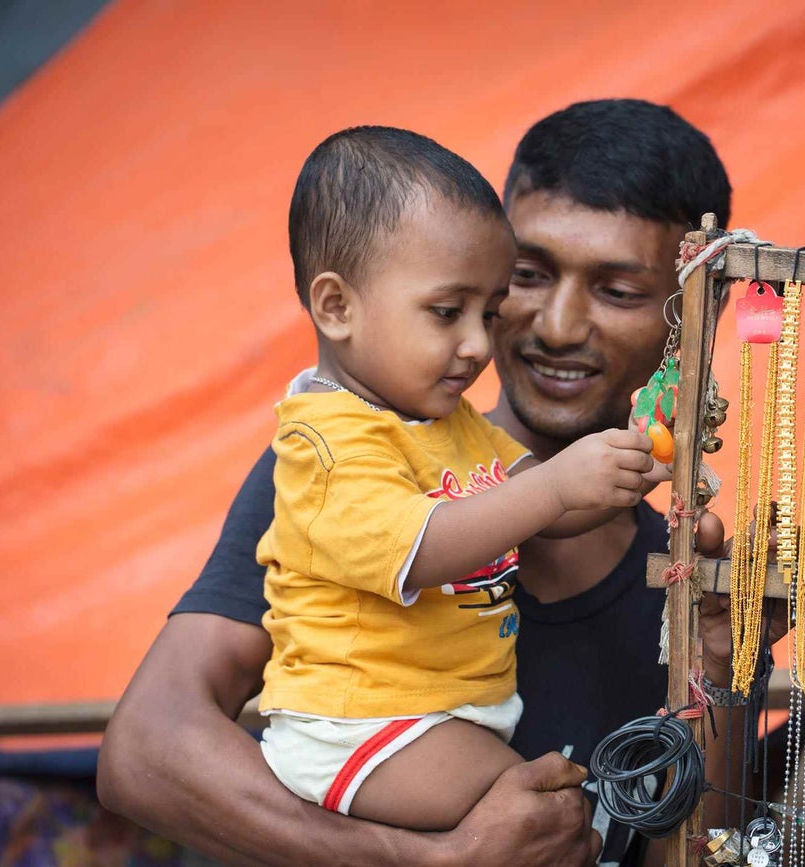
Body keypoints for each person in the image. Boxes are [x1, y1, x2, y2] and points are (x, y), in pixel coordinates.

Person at [98, 99, 754, 867]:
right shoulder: (343, 463)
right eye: (528, 276)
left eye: (617, 290)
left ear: (699, 312)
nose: (557, 324)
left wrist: (722, 661)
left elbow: (689, 852)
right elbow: (144, 753)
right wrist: (434, 860)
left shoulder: (684, 577)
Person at [254, 124, 660, 830]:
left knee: (553, 809)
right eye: (448, 313)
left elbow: (546, 508)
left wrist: (632, 466)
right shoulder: (324, 443)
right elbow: (428, 542)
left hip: (430, 720)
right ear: (336, 305)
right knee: (558, 814)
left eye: (489, 312)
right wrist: (559, 483)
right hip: (361, 725)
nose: (477, 345)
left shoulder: (447, 423)